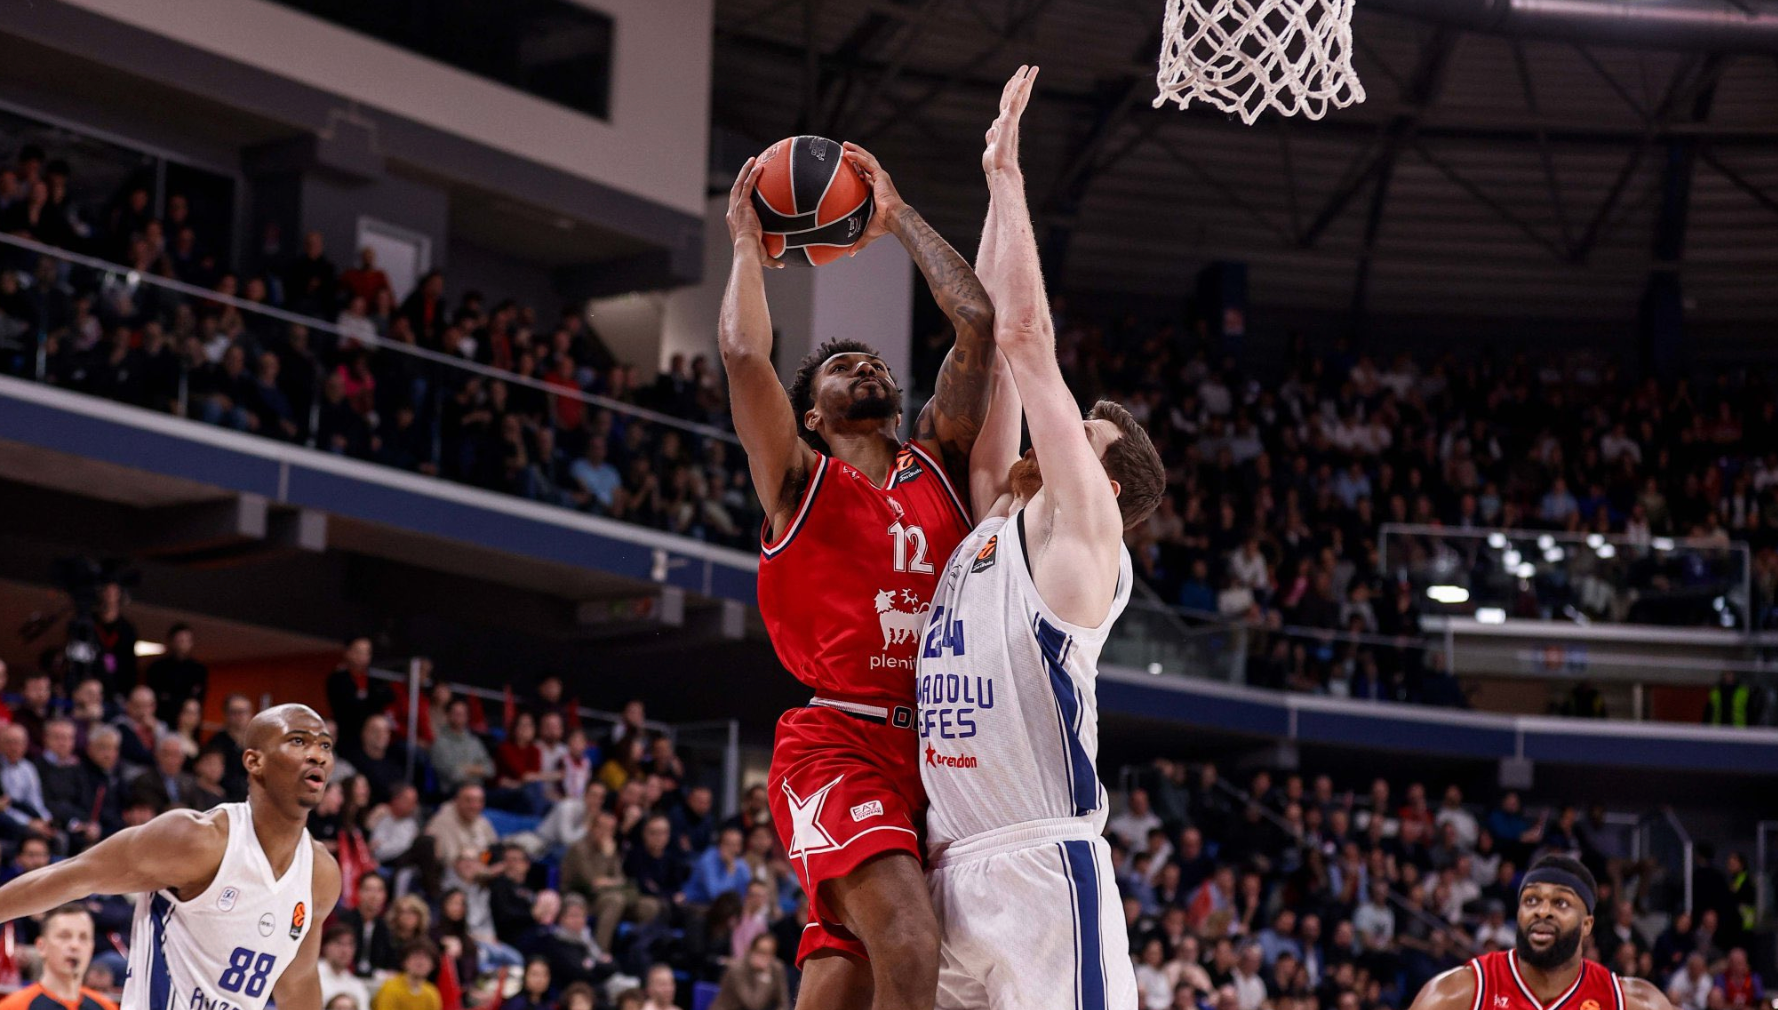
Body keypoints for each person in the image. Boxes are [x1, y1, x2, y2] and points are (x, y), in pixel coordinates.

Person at [720, 116, 997, 1010]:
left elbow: (977, 320)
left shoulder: (939, 465)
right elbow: (740, 353)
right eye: (841, 364)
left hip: (941, 750)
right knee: (912, 949)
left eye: (871, 357)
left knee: (854, 979)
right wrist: (745, 248)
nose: (865, 364)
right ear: (811, 415)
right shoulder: (798, 482)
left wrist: (898, 216)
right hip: (838, 742)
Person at [916, 67, 1164, 1010]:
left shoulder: (1087, 544)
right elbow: (987, 332)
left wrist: (1012, 178)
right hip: (953, 870)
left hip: (1041, 875)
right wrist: (987, 189)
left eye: (1079, 438)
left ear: (1100, 485)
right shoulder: (994, 520)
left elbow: (1026, 337)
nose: (1052, 440)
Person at [0, 703, 341, 1010]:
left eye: (324, 745)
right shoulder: (197, 840)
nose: (318, 755)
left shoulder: (320, 874)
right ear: (254, 761)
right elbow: (73, 875)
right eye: (298, 741)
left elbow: (297, 981)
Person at [1404, 855, 1676, 1010]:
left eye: (1561, 902)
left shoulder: (1629, 1001)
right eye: (1531, 900)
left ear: (1587, 925)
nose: (1542, 911)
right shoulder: (1462, 992)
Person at [0, 903, 117, 1010]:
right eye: (64, 936)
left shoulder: (106, 1007)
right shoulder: (14, 1006)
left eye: (83, 937)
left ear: (91, 948)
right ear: (41, 946)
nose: (75, 946)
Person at [143, 623, 207, 727]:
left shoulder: (199, 670)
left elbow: (198, 698)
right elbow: (156, 696)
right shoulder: (157, 668)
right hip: (162, 721)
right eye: (180, 640)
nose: (183, 644)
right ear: (171, 641)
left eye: (187, 640)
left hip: (188, 726)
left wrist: (172, 698)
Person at [710, 933, 791, 1010]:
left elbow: (784, 1002)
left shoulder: (777, 968)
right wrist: (764, 977)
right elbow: (754, 1005)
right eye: (760, 951)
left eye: (769, 953)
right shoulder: (737, 969)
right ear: (751, 950)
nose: (764, 957)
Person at [371, 941, 442, 1010]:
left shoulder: (432, 993)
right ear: (404, 962)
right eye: (416, 956)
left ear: (433, 966)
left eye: (426, 958)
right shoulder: (390, 988)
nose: (420, 962)